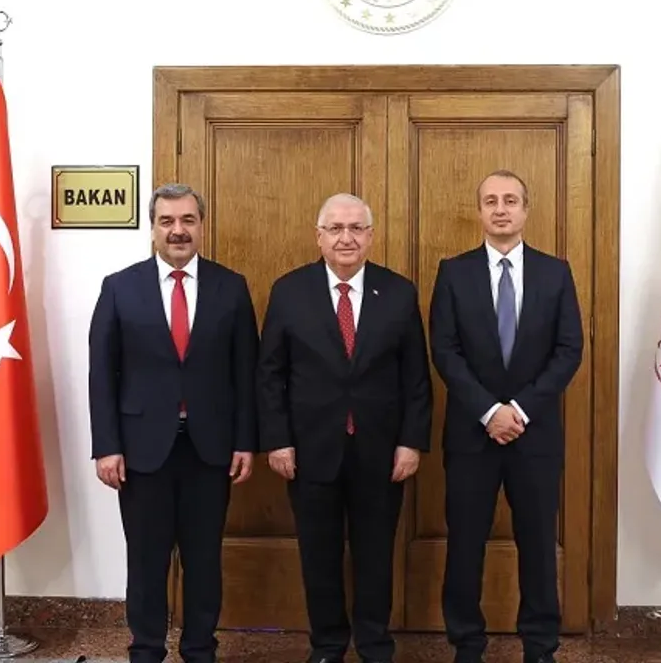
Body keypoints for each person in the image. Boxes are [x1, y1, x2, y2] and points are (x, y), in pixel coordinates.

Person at [256, 193, 432, 663]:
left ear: (371, 236)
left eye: (356, 228)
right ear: (319, 236)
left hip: (381, 451)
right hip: (310, 450)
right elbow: (270, 374)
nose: (346, 238)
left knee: (376, 555)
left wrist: (411, 442)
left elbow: (416, 377)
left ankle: (374, 644)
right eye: (335, 228)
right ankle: (328, 645)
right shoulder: (289, 291)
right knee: (319, 555)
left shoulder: (399, 292)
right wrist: (277, 440)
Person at [88, 183, 259, 663]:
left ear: (201, 225)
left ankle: (200, 649)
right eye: (167, 221)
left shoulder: (231, 286)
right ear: (153, 228)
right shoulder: (119, 287)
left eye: (187, 220)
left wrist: (246, 441)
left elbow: (246, 372)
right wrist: (106, 446)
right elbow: (102, 373)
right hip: (141, 451)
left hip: (211, 449)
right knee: (146, 562)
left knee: (204, 560)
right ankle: (146, 650)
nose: (178, 230)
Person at [429, 170, 584, 663]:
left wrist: (517, 410)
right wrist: (488, 410)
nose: (501, 209)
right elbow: (444, 350)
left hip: (534, 436)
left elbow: (569, 349)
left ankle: (539, 645)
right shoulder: (453, 273)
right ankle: (466, 644)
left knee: (537, 545)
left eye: (511, 200)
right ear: (479, 211)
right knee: (465, 545)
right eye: (491, 200)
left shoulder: (555, 273)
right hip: (471, 436)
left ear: (525, 210)